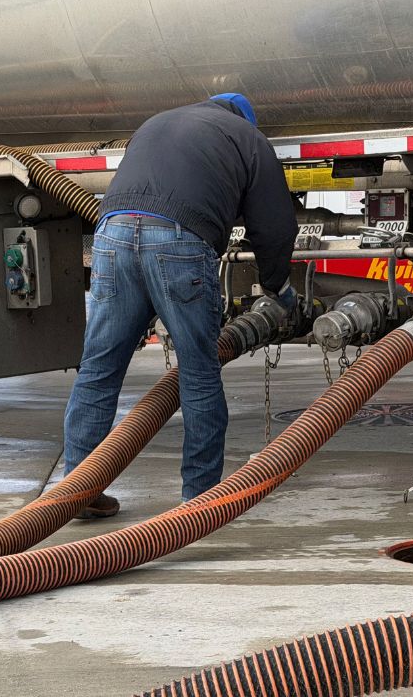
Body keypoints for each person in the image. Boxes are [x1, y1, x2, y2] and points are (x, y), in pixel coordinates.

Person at [63, 93, 299, 518]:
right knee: (198, 373)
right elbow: (275, 224)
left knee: (98, 369)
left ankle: (78, 491)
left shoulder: (157, 120)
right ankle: (199, 498)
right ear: (244, 118)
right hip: (178, 241)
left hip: (112, 235)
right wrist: (277, 287)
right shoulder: (249, 138)